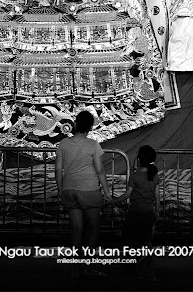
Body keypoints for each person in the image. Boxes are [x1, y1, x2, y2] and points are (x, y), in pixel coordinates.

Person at [55, 110, 112, 278]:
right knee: (93, 228)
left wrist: (61, 190)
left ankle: (76, 268)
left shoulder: (63, 144)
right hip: (89, 189)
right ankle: (87, 265)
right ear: (91, 127)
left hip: (69, 189)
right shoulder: (93, 144)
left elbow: (58, 169)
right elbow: (100, 171)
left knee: (77, 229)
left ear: (75, 124)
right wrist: (107, 192)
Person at [107, 145, 160, 281]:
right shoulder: (154, 175)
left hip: (135, 213)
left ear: (139, 159)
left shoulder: (135, 176)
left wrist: (113, 201)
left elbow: (127, 195)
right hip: (149, 213)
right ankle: (148, 270)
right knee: (147, 241)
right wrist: (157, 211)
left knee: (128, 238)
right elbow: (157, 196)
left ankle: (134, 263)